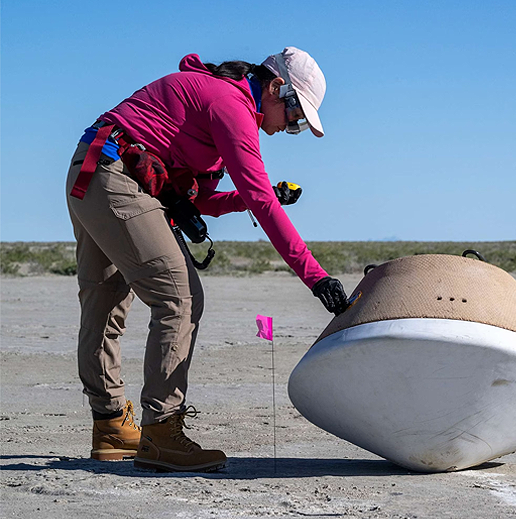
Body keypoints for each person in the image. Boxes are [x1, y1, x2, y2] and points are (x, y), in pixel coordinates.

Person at [65, 47, 349, 473]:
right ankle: (161, 431)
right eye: (294, 118)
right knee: (181, 299)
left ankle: (109, 426)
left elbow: (208, 200)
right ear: (275, 88)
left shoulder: (220, 100)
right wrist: (316, 277)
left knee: (105, 303)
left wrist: (258, 198)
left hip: (90, 170)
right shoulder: (230, 105)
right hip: (115, 176)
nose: (288, 128)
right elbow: (261, 202)